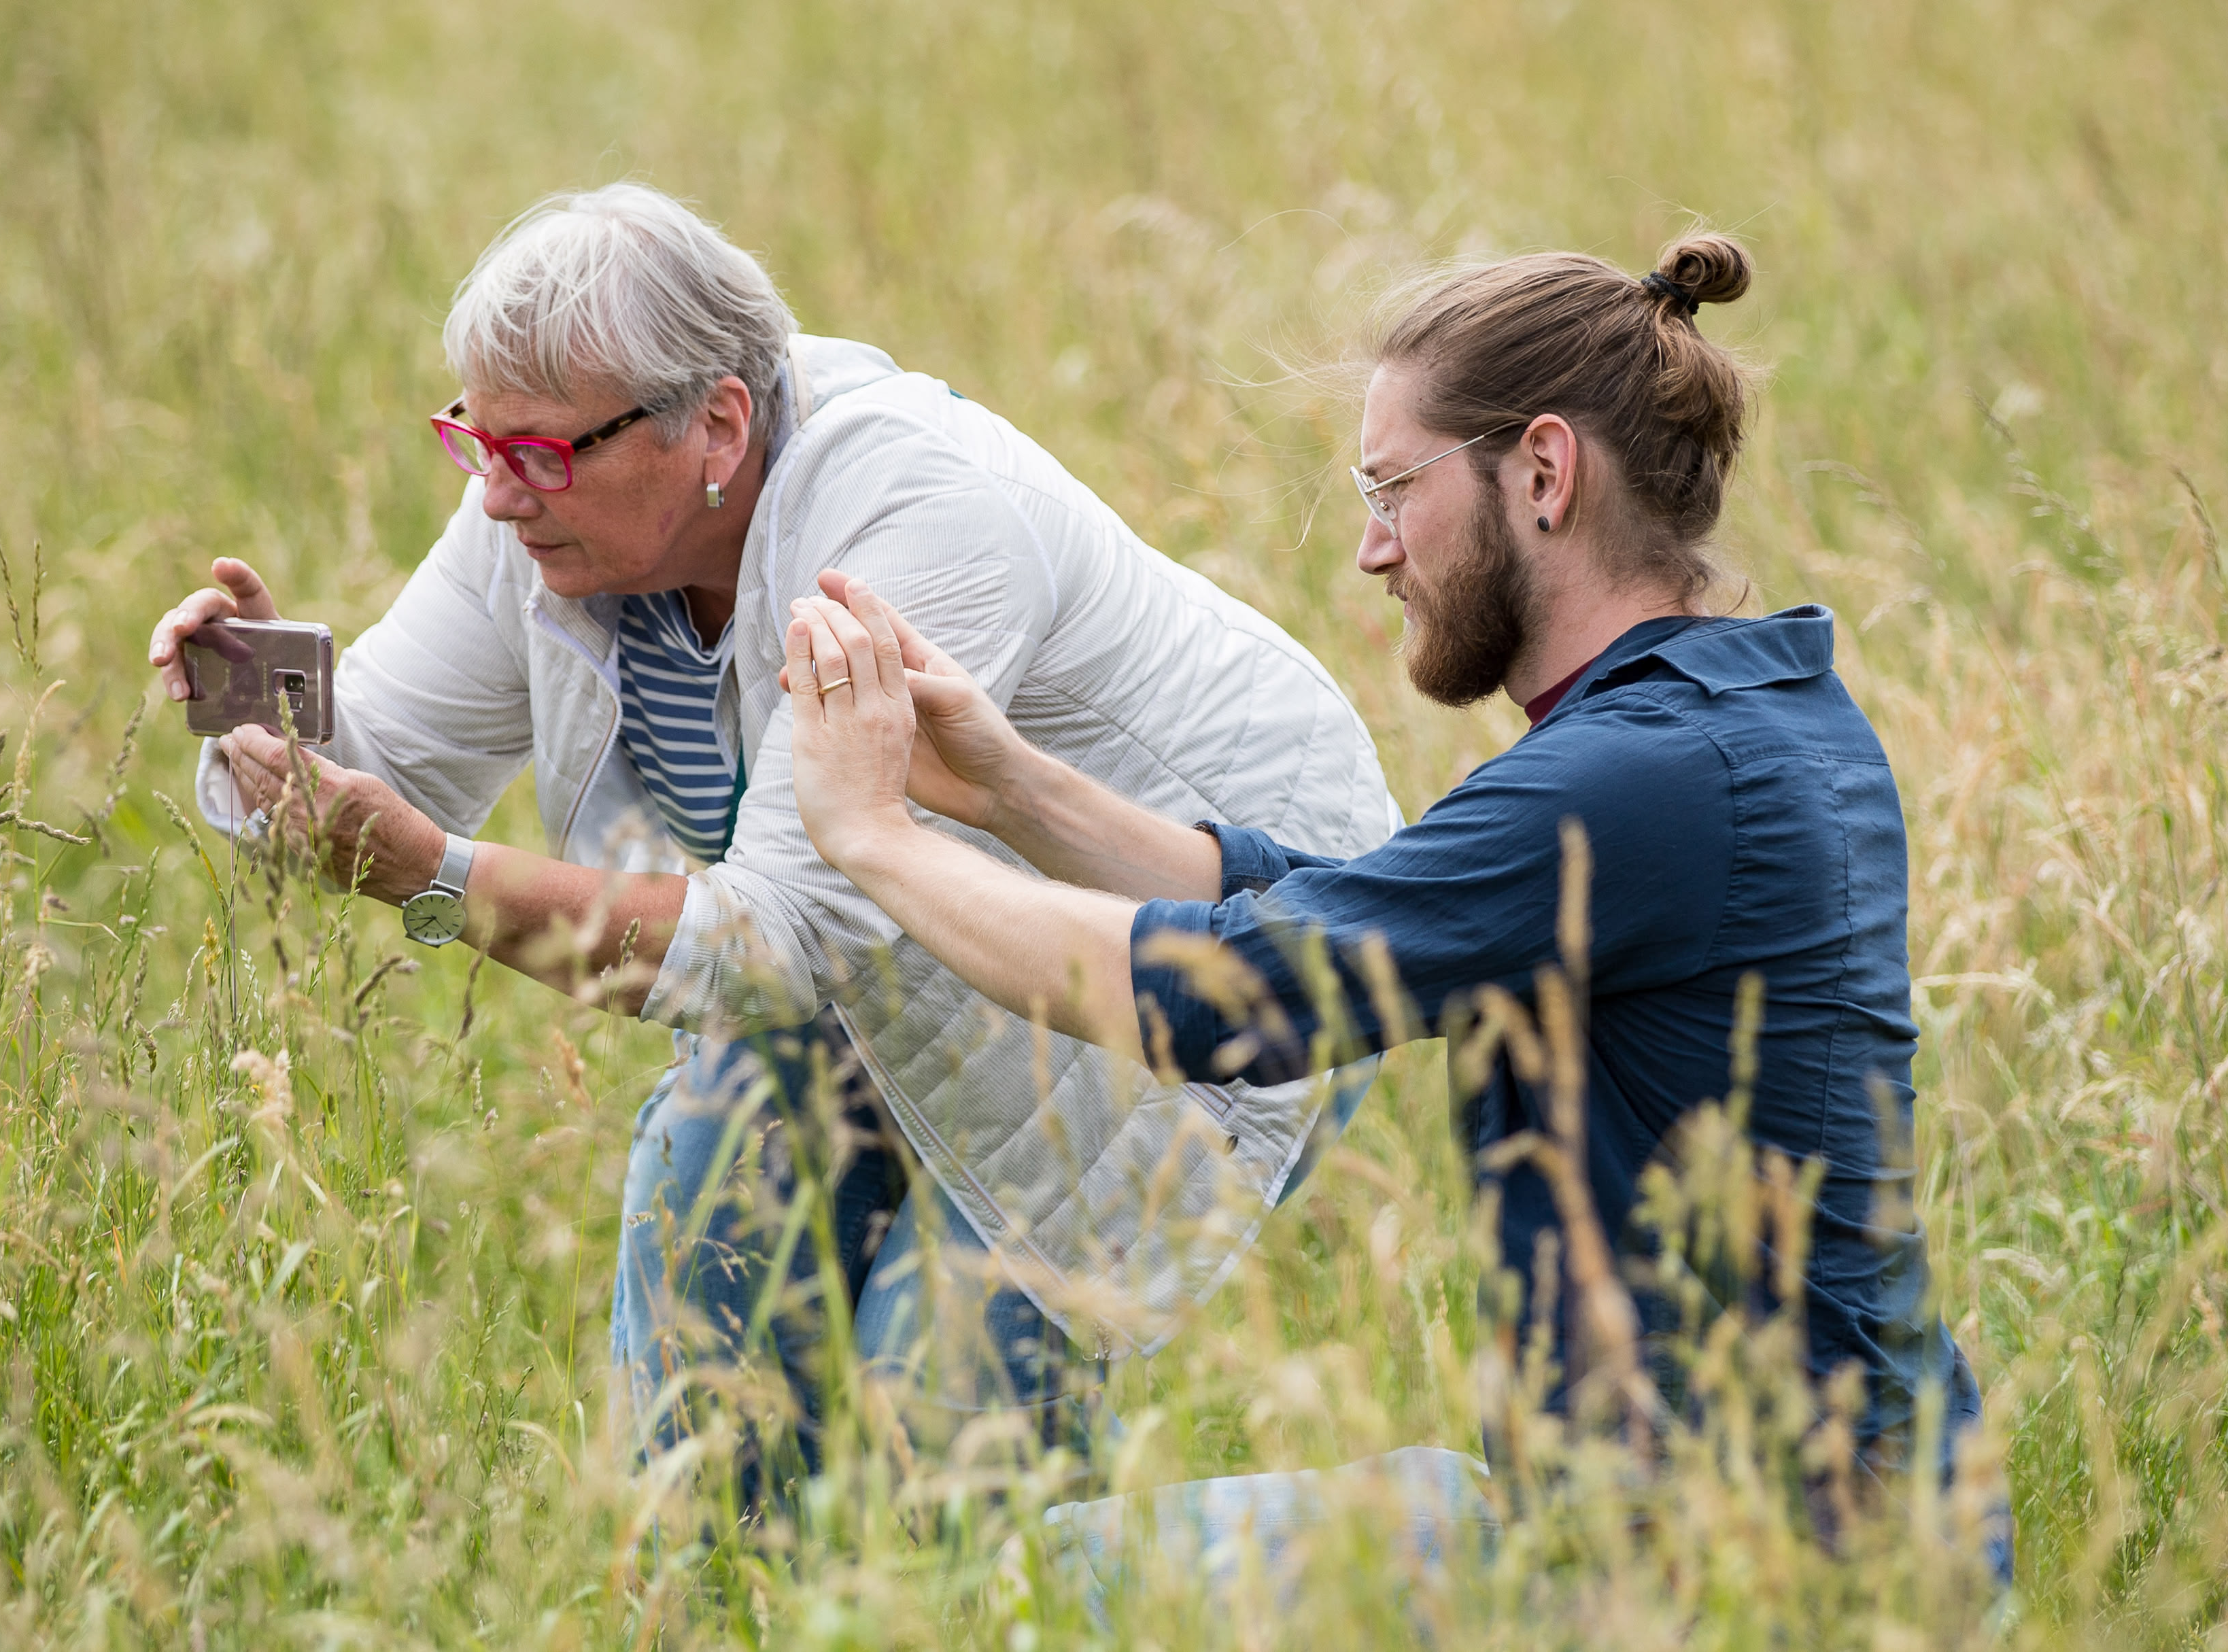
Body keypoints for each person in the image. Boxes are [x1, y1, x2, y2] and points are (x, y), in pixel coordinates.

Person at [145, 184, 1396, 1508]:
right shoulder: (542, 512)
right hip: (883, 937)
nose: (500, 496)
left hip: (1197, 942)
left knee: (941, 1442)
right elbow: (381, 774)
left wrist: (437, 881)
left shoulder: (912, 515)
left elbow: (772, 951)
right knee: (703, 1384)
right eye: (477, 441)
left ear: (717, 425)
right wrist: (266, 722)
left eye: (542, 456)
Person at [775, 230, 2005, 1572]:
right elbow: (1331, 918)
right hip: (1828, 1516)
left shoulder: (1641, 774)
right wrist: (1012, 787)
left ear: (1542, 473)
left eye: (1391, 489)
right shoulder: (1749, 719)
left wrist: (874, 839)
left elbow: (1229, 994)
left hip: (1732, 1560)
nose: (1371, 549)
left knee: (1037, 1583)